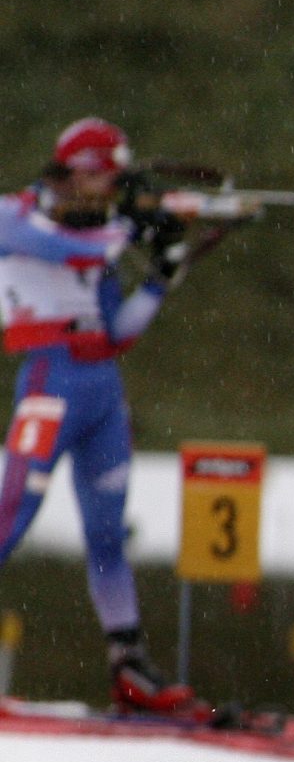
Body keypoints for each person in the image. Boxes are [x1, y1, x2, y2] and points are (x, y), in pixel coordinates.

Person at [0, 118, 206, 716]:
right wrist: (136, 229)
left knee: (108, 535)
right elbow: (63, 246)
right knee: (12, 517)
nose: (104, 187)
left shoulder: (103, 236)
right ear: (66, 172)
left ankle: (129, 663)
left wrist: (164, 271)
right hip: (49, 383)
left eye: (111, 178)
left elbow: (118, 332)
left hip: (100, 392)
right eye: (96, 175)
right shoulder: (17, 216)